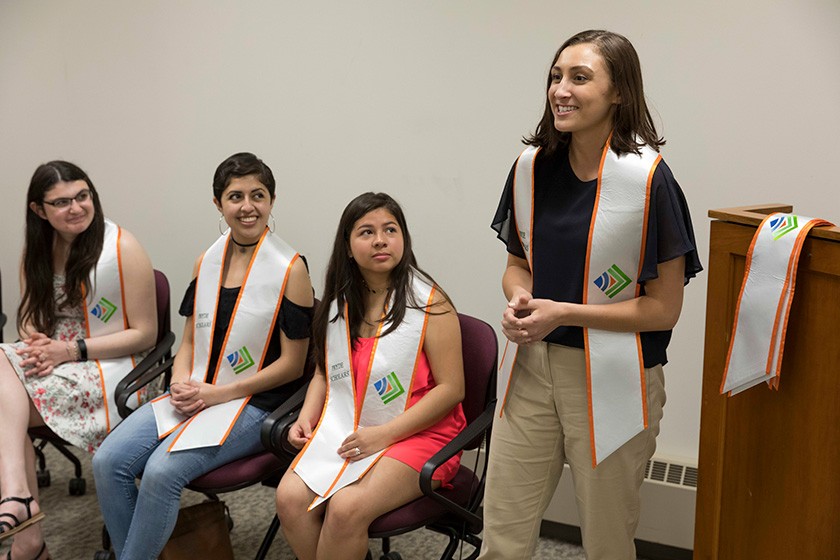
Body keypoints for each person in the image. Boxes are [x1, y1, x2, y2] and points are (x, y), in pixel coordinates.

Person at [480, 30, 703, 560]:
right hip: (532, 369)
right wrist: (520, 302)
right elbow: (517, 267)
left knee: (606, 540)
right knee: (502, 535)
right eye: (556, 76)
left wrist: (563, 313)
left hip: (614, 378)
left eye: (580, 78)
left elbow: (663, 309)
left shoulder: (648, 180)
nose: (561, 89)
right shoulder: (532, 167)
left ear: (619, 92)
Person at [92, 152, 314, 560]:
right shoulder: (206, 261)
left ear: (272, 199)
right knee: (107, 460)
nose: (247, 207)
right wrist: (179, 381)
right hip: (197, 391)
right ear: (218, 204)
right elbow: (190, 342)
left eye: (257, 195)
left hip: (255, 404)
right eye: (235, 196)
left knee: (160, 473)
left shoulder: (290, 270)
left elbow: (294, 365)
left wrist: (218, 394)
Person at [275, 192, 466, 560]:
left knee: (346, 507)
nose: (380, 240)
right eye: (366, 232)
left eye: (390, 230)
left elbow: (452, 389)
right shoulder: (339, 303)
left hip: (421, 435)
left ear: (403, 240)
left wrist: (383, 436)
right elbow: (323, 372)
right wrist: (305, 417)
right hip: (353, 428)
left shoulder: (430, 303)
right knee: (289, 498)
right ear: (348, 247)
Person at [0, 161, 157, 560]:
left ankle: (26, 532)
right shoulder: (36, 251)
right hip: (55, 362)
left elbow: (146, 334)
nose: (76, 208)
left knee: (3, 410)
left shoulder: (122, 246)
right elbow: (30, 319)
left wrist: (69, 351)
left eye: (83, 196)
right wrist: (35, 341)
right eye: (62, 202)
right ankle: (21, 508)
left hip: (111, 366)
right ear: (39, 211)